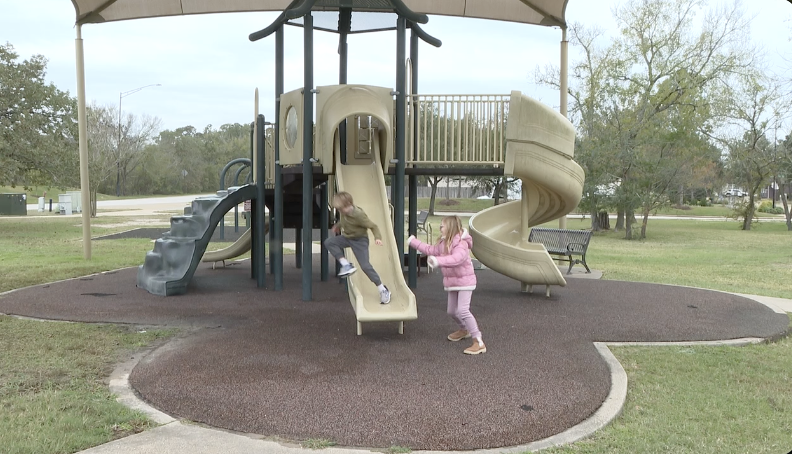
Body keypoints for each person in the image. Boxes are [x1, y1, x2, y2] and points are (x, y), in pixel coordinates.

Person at [407, 216, 485, 355]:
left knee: (463, 310)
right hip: (453, 282)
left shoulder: (461, 244)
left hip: (465, 281)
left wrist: (438, 261)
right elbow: (430, 249)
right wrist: (413, 242)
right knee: (451, 311)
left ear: (450, 227)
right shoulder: (444, 243)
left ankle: (478, 341)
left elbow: (457, 259)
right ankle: (463, 329)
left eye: (442, 225)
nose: (440, 228)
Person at [324, 191, 391, 304]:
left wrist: (377, 238)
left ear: (349, 204)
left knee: (365, 266)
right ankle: (346, 264)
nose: (340, 211)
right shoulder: (344, 212)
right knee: (329, 242)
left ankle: (383, 289)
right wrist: (338, 226)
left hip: (360, 241)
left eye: (341, 209)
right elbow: (344, 220)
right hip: (347, 238)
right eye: (339, 209)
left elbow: (373, 226)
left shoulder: (359, 214)